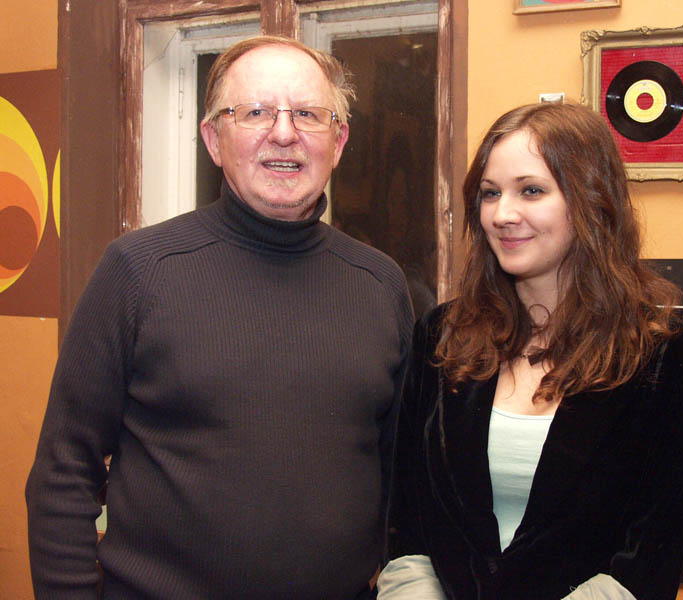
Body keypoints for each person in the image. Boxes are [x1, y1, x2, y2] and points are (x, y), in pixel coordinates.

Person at [26, 35, 413, 599]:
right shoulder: (139, 271)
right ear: (213, 139)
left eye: (309, 114)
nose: (285, 133)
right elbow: (64, 472)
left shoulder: (380, 285)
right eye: (255, 112)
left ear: (339, 141)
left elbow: (400, 477)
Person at [378, 102, 683, 600]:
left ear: (591, 200)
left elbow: (646, 563)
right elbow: (407, 524)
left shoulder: (671, 361)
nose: (503, 214)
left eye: (531, 190)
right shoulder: (441, 335)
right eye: (490, 193)